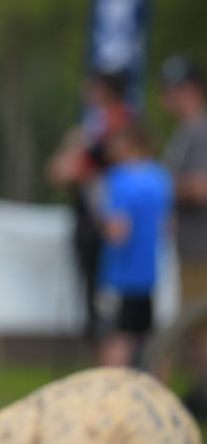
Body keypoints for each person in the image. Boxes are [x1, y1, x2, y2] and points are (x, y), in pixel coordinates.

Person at [46, 70, 132, 337]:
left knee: (105, 296)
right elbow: (58, 171)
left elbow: (68, 170)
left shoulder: (116, 123)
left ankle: (111, 354)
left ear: (104, 91)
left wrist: (73, 165)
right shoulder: (95, 125)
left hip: (105, 220)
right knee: (94, 294)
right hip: (91, 217)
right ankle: (103, 348)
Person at [93, 124, 172, 367]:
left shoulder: (118, 179)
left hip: (120, 275)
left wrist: (98, 223)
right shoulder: (162, 178)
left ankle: (110, 400)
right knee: (151, 340)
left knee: (117, 339)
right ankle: (155, 398)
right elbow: (169, 226)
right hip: (151, 274)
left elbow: (117, 231)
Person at [160, 54, 207, 415]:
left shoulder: (200, 130)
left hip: (201, 249)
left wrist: (163, 187)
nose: (166, 96)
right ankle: (198, 395)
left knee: (191, 324)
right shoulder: (185, 131)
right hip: (190, 247)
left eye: (172, 89)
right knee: (196, 329)